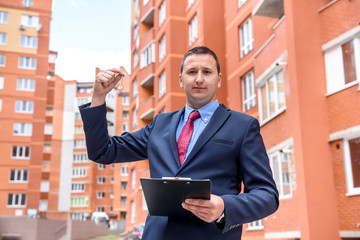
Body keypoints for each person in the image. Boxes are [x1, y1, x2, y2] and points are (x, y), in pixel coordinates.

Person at [79, 46, 279, 240]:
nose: (199, 78)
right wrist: (98, 98)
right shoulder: (159, 124)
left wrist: (224, 207)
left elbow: (267, 195)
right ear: (181, 80)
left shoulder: (243, 126)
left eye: (207, 72)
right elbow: (102, 151)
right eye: (192, 72)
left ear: (218, 80)